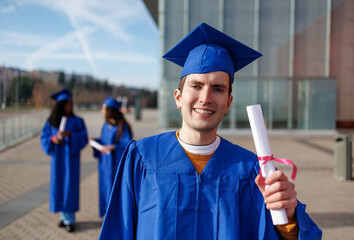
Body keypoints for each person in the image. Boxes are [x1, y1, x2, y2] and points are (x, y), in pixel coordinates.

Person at [98, 23, 322, 239]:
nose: (205, 98)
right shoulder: (141, 158)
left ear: (228, 103)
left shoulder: (251, 171)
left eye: (217, 89)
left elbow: (279, 234)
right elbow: (118, 230)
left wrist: (289, 215)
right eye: (196, 86)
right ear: (178, 97)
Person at [40, 89, 88, 233]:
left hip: (71, 161)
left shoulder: (77, 121)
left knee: (69, 187)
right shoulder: (51, 122)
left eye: (71, 104)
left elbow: (84, 137)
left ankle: (70, 219)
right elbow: (44, 137)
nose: (70, 106)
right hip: (58, 161)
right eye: (67, 104)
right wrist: (53, 139)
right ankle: (63, 215)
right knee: (58, 186)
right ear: (60, 105)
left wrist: (70, 135)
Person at [91, 97, 133, 218]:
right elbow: (104, 141)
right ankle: (107, 215)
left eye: (104, 109)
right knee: (105, 188)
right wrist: (95, 141)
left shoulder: (122, 126)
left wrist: (113, 147)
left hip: (115, 164)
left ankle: (115, 217)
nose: (102, 111)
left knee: (115, 190)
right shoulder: (106, 125)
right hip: (105, 164)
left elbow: (127, 145)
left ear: (110, 111)